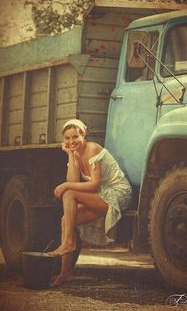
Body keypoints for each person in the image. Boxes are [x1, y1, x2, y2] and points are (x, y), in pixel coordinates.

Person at [47, 118, 132, 287]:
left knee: (69, 193)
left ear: (83, 134)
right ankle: (66, 273)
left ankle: (68, 243)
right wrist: (70, 154)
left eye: (75, 137)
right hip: (100, 195)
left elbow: (93, 184)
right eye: (67, 138)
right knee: (66, 220)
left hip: (118, 194)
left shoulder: (92, 149)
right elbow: (73, 179)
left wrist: (64, 186)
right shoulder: (76, 153)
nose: (71, 141)